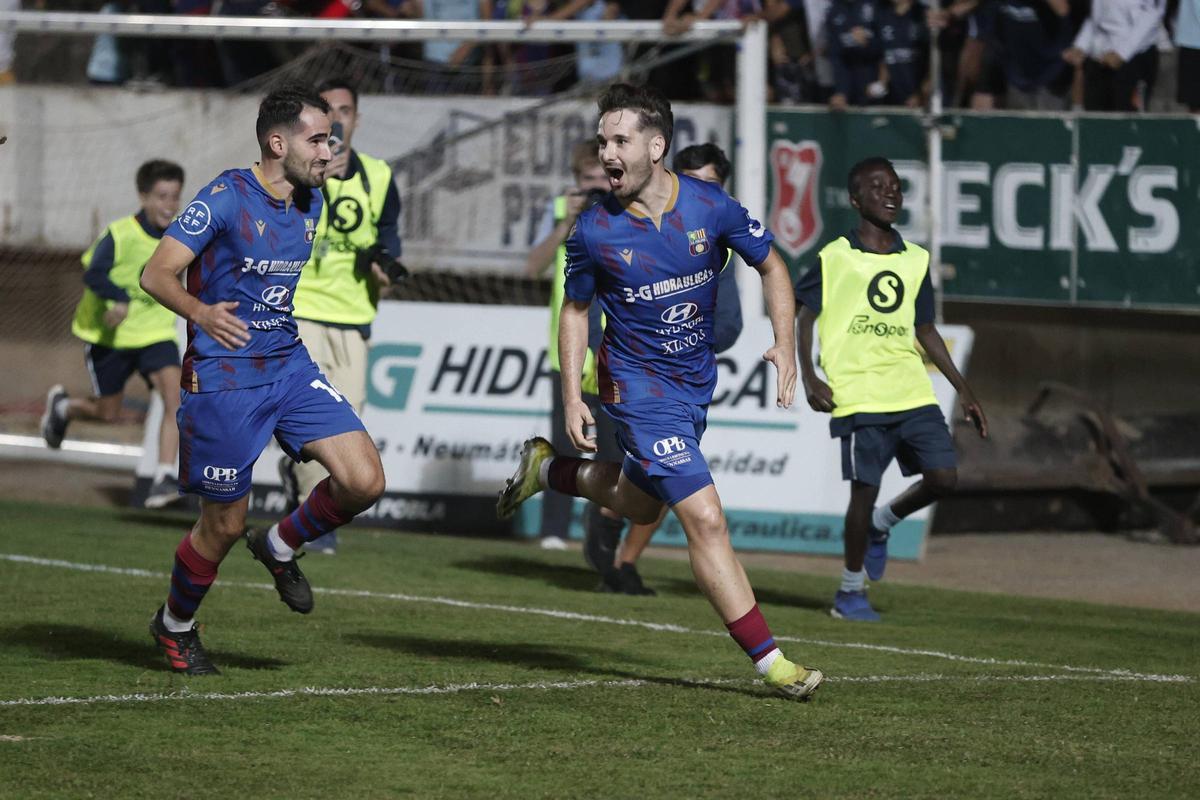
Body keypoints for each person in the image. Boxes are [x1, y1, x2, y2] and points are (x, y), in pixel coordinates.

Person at [498, 83, 824, 700]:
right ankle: (773, 663)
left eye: (620, 140)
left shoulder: (710, 206)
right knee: (705, 517)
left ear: (657, 146)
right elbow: (575, 311)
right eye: (602, 141)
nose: (607, 153)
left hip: (692, 385)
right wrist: (573, 394)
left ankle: (550, 473)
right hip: (635, 389)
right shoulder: (594, 230)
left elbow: (773, 264)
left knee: (638, 503)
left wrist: (784, 340)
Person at [139, 85, 386, 675]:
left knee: (365, 481)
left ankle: (278, 544)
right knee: (221, 526)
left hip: (288, 365)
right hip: (224, 378)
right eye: (317, 139)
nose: (330, 149)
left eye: (332, 137)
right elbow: (156, 274)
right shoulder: (223, 198)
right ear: (277, 143)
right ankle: (174, 625)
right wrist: (202, 314)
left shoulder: (311, 202)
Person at [794, 156, 988, 622]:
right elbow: (804, 315)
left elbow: (925, 328)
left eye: (896, 186)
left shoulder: (916, 259)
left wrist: (963, 388)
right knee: (863, 492)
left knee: (944, 478)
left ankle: (885, 524)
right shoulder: (835, 255)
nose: (891, 193)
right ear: (856, 199)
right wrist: (809, 375)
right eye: (878, 186)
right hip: (858, 393)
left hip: (910, 389)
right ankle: (848, 592)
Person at [585, 142, 743, 596]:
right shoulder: (625, 228)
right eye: (689, 180)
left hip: (682, 385)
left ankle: (623, 561)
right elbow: (596, 307)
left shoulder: (719, 246)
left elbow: (730, 323)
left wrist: (684, 342)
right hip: (627, 379)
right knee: (651, 482)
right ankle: (606, 538)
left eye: (708, 184)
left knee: (663, 487)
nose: (697, 192)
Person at [278, 76, 403, 555]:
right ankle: (314, 518)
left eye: (345, 111)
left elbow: (390, 245)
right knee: (314, 423)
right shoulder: (296, 172)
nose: (338, 119)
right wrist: (316, 181)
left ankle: (299, 485)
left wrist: (384, 269)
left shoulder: (380, 176)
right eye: (328, 111)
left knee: (348, 423)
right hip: (302, 309)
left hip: (353, 317)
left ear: (356, 119)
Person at [41, 160, 186, 510]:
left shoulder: (180, 236)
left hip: (154, 332)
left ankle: (164, 477)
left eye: (175, 197)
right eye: (162, 196)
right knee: (108, 412)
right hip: (110, 335)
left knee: (175, 397)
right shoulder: (120, 234)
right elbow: (93, 274)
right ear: (143, 196)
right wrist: (118, 299)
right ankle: (64, 407)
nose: (169, 204)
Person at [525, 141, 624, 554]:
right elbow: (532, 266)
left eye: (605, 178)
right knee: (565, 446)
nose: (598, 187)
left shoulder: (626, 218)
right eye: (589, 180)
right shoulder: (565, 215)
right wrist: (566, 221)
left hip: (616, 357)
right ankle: (553, 530)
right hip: (568, 356)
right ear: (575, 184)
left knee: (615, 451)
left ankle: (599, 536)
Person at [1062, 0, 1166, 112]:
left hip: (1134, 58)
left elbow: (1151, 17)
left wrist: (1122, 53)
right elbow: (1095, 16)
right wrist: (1081, 46)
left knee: (1128, 120)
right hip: (1099, 59)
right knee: (1095, 117)